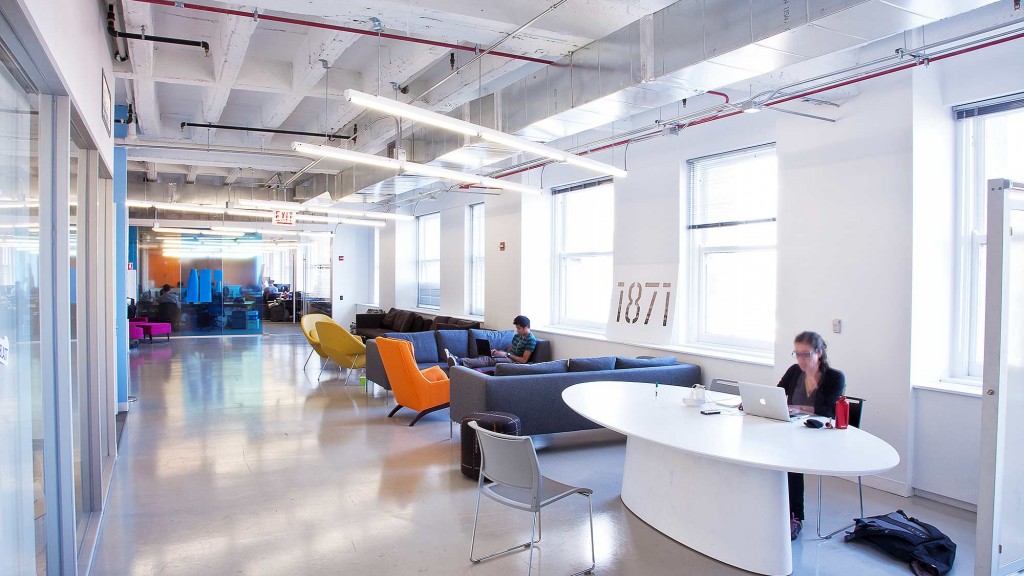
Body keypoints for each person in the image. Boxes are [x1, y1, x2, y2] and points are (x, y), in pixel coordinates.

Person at [778, 330, 845, 540]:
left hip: (821, 434)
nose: (801, 359)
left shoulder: (834, 377)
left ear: (820, 352)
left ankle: (794, 517)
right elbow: (778, 395)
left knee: (790, 456)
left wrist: (796, 408)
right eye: (797, 354)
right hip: (794, 430)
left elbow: (828, 412)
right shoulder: (793, 372)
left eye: (805, 354)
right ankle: (775, 508)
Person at [446, 315, 537, 369]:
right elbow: (511, 348)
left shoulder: (531, 340)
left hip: (515, 362)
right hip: (509, 356)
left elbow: (524, 360)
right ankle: (459, 362)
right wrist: (498, 352)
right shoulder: (518, 336)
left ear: (526, 327)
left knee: (490, 360)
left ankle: (459, 361)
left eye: (519, 328)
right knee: (488, 355)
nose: (517, 330)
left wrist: (507, 355)